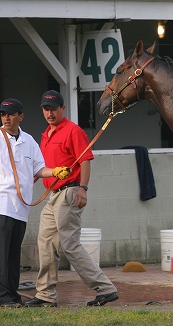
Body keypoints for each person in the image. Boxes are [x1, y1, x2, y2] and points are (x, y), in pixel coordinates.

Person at [23, 90, 118, 308]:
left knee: (69, 244)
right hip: (52, 195)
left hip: (69, 192)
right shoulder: (45, 135)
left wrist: (83, 189)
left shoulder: (73, 131)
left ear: (62, 109)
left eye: (53, 109)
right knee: (45, 243)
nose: (49, 113)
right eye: (46, 109)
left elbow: (85, 161)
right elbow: (41, 168)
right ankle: (45, 295)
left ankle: (106, 289)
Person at [0, 98, 71, 308]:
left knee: (13, 254)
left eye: (11, 114)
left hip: (20, 208)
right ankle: (3, 297)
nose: (6, 118)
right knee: (2, 254)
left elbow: (39, 169)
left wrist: (56, 171)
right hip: (2, 204)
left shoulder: (29, 141)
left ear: (20, 117)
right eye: (3, 114)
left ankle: (12, 294)